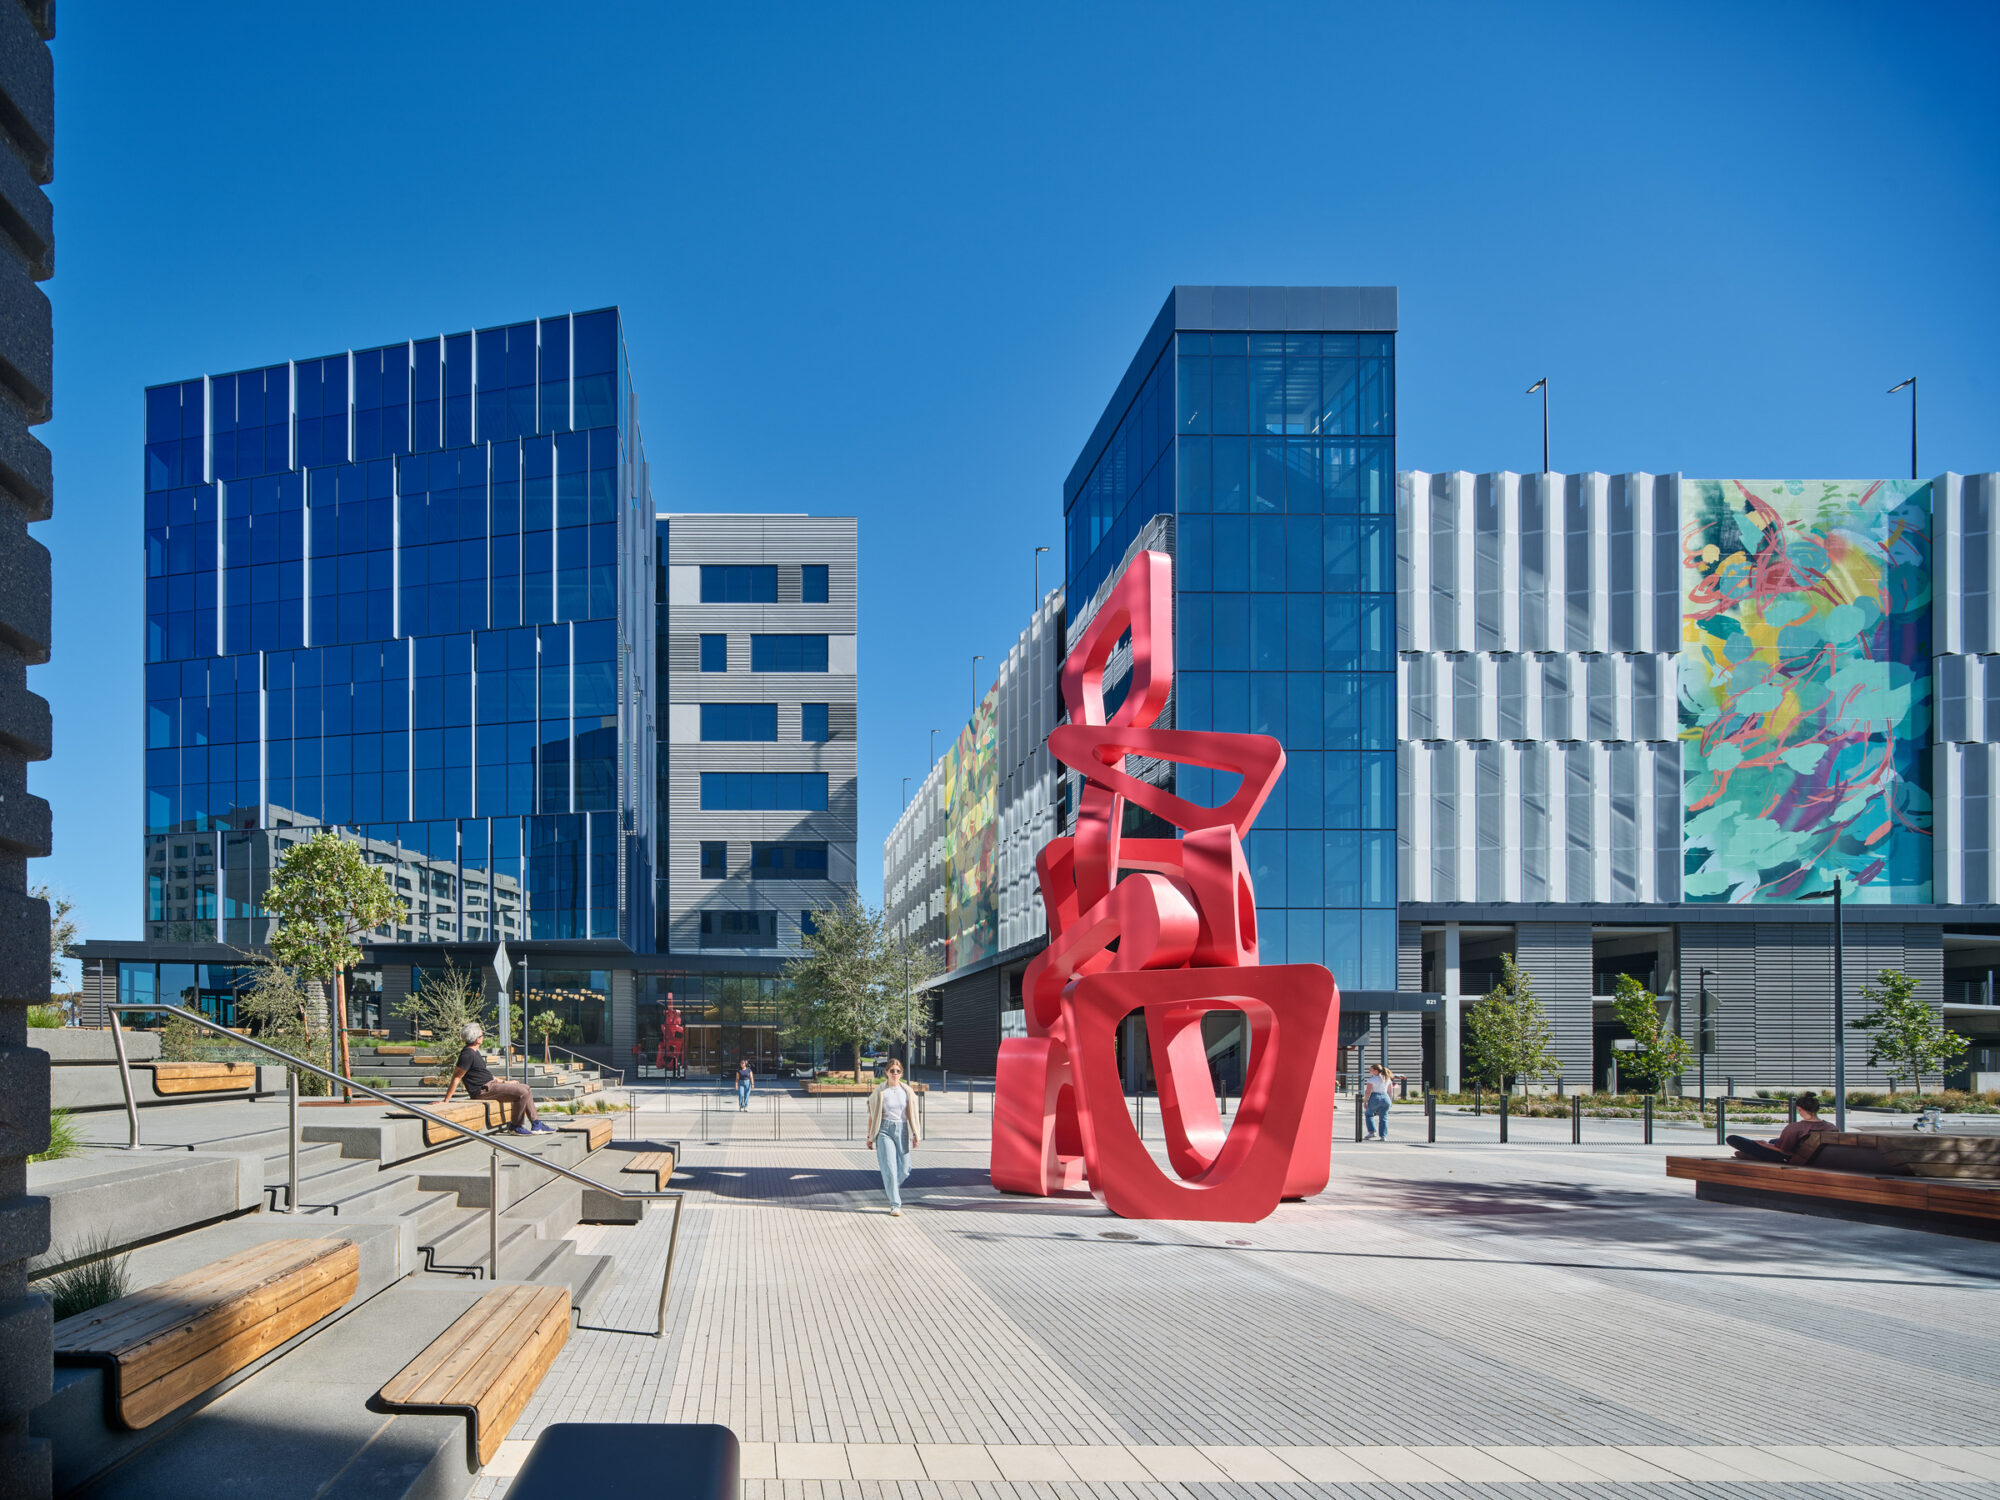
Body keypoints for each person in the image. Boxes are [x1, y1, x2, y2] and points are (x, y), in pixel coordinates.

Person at [441, 1023, 551, 1136]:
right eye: (482, 1035)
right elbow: (457, 1077)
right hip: (482, 1090)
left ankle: (536, 1123)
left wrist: (505, 1082)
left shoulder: (475, 1052)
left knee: (526, 1087)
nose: (483, 1037)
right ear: (477, 1039)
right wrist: (446, 1101)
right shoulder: (467, 1055)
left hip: (490, 1086)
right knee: (522, 1092)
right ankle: (515, 1126)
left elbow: (486, 1075)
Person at [867, 1059, 921, 1215]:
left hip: (902, 1129)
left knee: (905, 1169)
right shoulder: (880, 1091)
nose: (895, 1074)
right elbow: (872, 1114)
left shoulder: (907, 1091)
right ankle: (895, 1204)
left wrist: (916, 1134)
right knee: (890, 1168)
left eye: (898, 1071)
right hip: (884, 1129)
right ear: (886, 1073)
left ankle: (891, 1187)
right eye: (892, 1071)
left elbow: (912, 1114)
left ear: (901, 1073)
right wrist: (870, 1136)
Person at [1727, 1092, 1835, 1164]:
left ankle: (1752, 1156)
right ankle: (1749, 1155)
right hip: (1816, 1157)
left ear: (1799, 1109)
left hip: (1790, 1158)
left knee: (1732, 1139)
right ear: (1817, 1109)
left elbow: (1784, 1150)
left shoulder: (1796, 1127)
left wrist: (1763, 1144)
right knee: (1774, 1141)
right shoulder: (1831, 1127)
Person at [1363, 1062, 1394, 1140]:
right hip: (1385, 1097)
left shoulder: (1371, 1079)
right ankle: (1383, 1136)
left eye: (1371, 1070)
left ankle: (1372, 1132)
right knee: (1383, 1117)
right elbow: (1390, 1091)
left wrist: (1365, 1101)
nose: (1370, 1071)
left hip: (1375, 1097)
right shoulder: (1387, 1078)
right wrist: (1390, 1101)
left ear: (1376, 1071)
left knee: (1369, 1114)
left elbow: (1368, 1091)